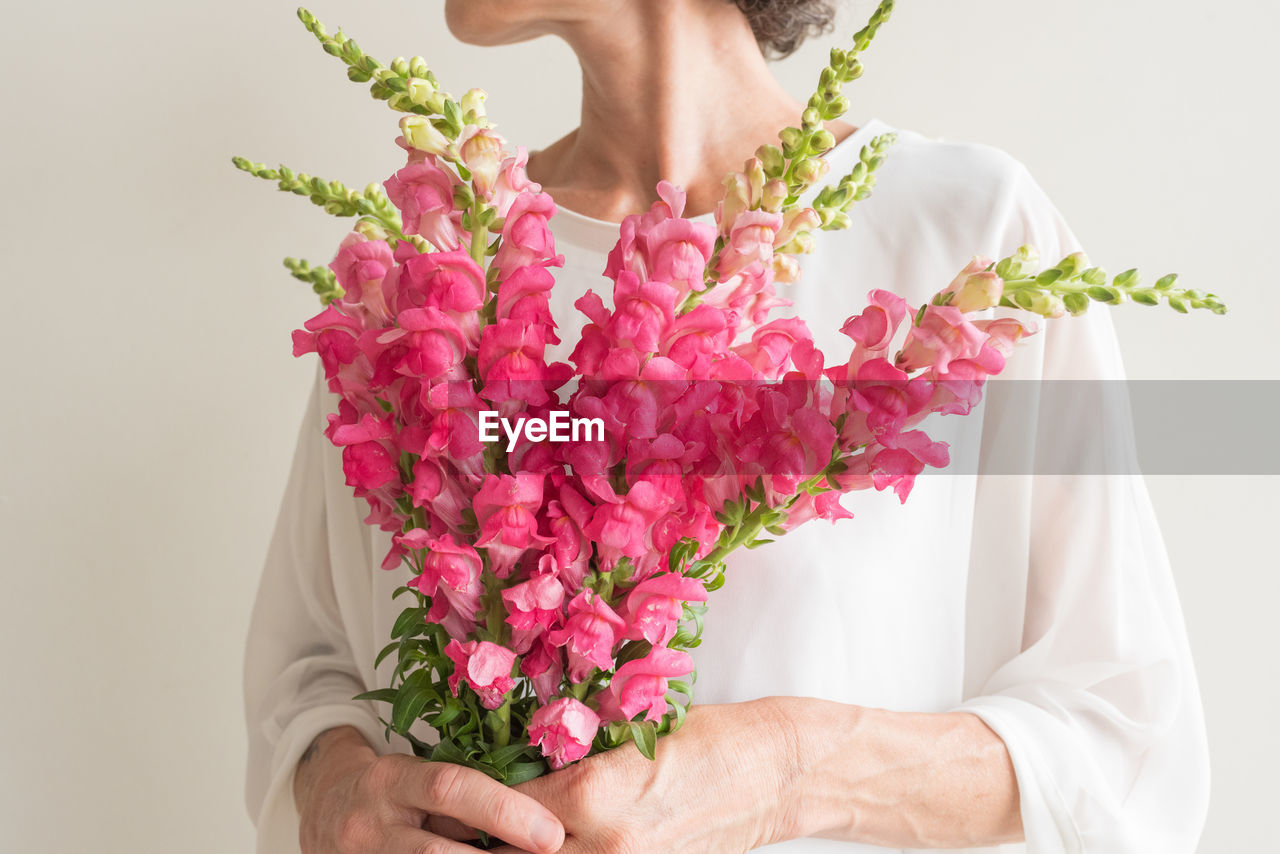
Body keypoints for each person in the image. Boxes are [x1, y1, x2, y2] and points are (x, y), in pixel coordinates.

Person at [243, 1, 1211, 852]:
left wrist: (786, 769)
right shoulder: (433, 263)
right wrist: (335, 791)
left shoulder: (966, 238)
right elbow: (312, 664)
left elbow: (1124, 742)